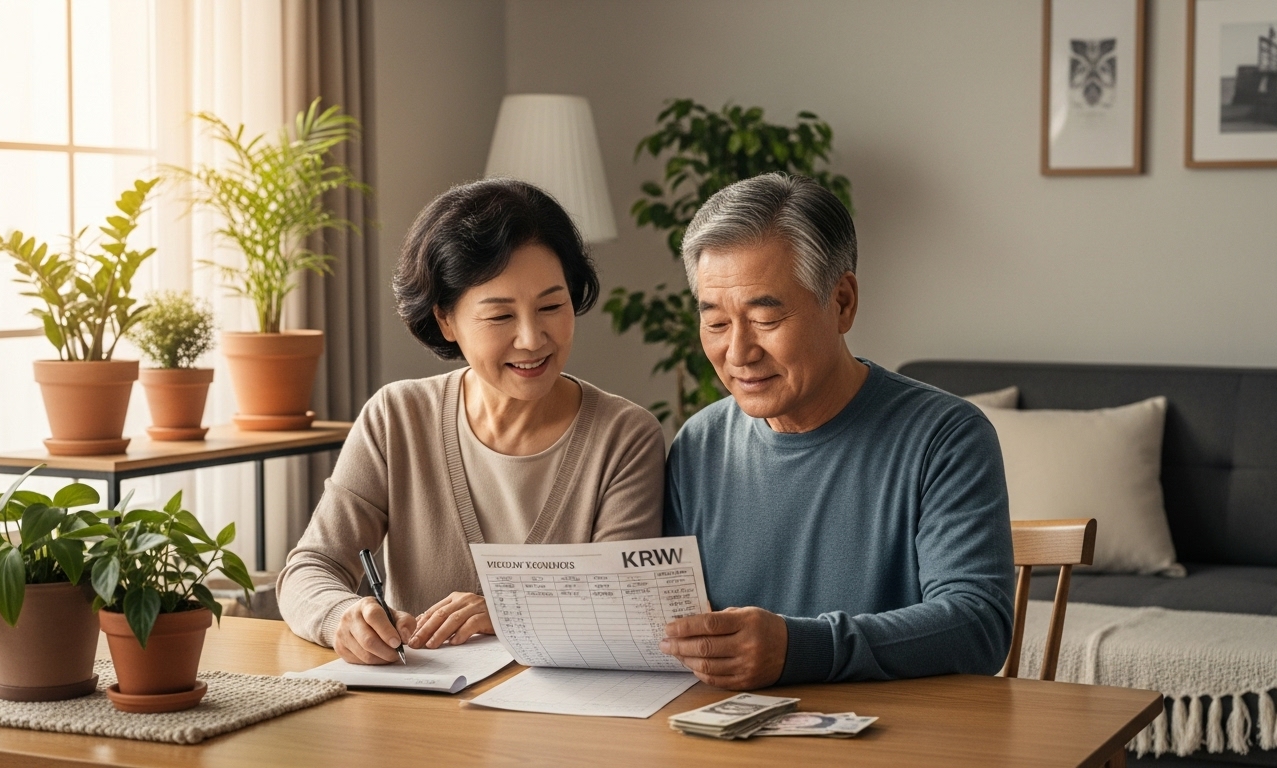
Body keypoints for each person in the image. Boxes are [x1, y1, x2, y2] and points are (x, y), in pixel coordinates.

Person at [278, 178, 665, 665]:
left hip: (563, 722)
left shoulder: (625, 437)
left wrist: (507, 612)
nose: (532, 338)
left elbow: (623, 606)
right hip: (420, 713)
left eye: (551, 306)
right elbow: (310, 567)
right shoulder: (395, 419)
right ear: (445, 320)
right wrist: (343, 616)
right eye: (500, 316)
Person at [659, 173, 1015, 690]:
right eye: (715, 323)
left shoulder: (945, 437)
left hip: (890, 741)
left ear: (842, 302)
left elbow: (977, 623)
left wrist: (799, 648)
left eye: (765, 318)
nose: (737, 353)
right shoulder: (699, 444)